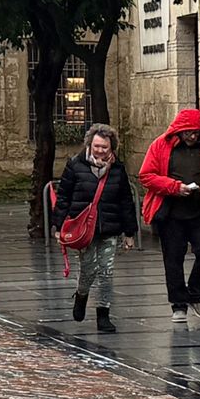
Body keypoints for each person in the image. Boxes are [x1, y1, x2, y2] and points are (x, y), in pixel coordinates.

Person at [139, 108, 200, 322]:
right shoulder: (160, 145)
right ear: (179, 131)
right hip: (171, 212)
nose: (192, 136)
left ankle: (196, 295)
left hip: (199, 210)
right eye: (188, 132)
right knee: (173, 258)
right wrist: (174, 187)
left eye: (196, 133)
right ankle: (178, 305)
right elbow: (146, 175)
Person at [52, 123, 137, 333]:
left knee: (106, 271)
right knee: (89, 269)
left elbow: (126, 201)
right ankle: (81, 295)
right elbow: (63, 197)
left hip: (109, 227)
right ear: (90, 144)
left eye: (105, 147)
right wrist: (58, 226)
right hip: (83, 228)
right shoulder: (75, 165)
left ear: (112, 148)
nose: (100, 150)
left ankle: (103, 314)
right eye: (97, 145)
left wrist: (130, 233)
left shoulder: (117, 169)